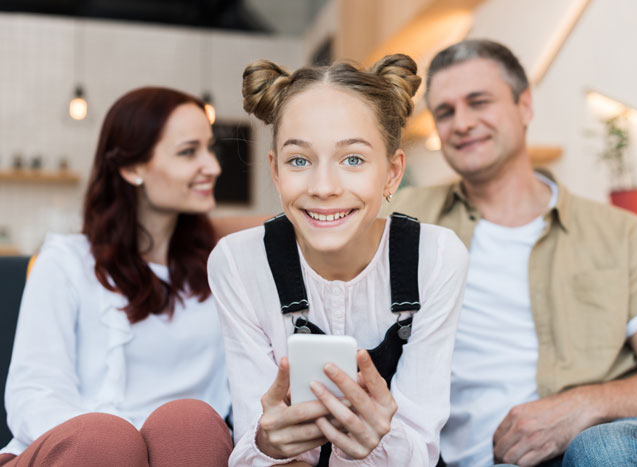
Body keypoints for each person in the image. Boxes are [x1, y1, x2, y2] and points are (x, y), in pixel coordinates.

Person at [387, 39, 637, 467]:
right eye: (445, 112)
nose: (461, 123)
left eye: (478, 102)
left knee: (603, 449)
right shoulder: (401, 220)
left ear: (524, 105)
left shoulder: (621, 233)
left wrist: (582, 406)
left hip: (605, 447)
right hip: (473, 459)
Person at [207, 54, 468, 467]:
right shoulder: (238, 263)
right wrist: (269, 446)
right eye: (299, 160)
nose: (324, 187)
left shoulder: (435, 258)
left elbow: (420, 450)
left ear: (392, 173)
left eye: (353, 160)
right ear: (275, 172)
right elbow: (251, 439)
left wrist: (381, 441)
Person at [0, 87, 233, 467]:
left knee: (191, 425)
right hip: (80, 452)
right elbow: (34, 393)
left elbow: (288, 227)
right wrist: (124, 449)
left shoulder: (222, 266)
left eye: (210, 149)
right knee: (104, 440)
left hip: (182, 453)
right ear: (131, 168)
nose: (213, 166)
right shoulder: (65, 262)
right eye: (189, 152)